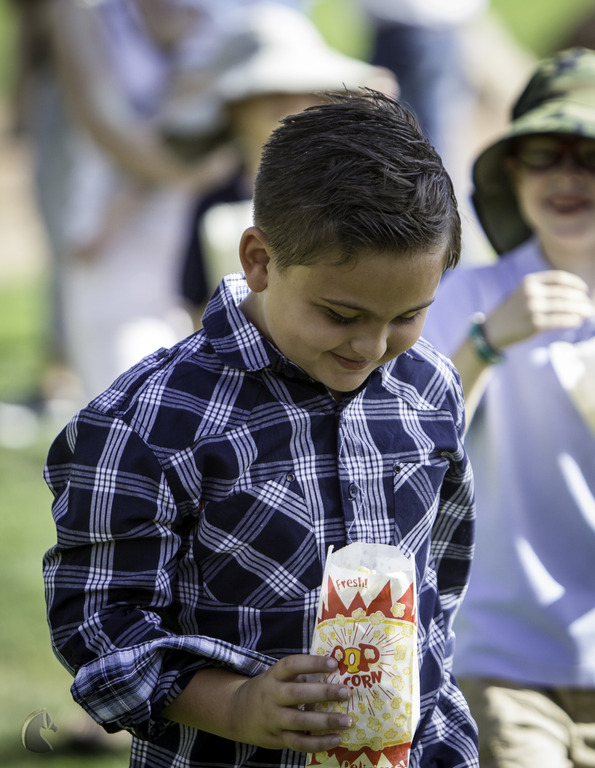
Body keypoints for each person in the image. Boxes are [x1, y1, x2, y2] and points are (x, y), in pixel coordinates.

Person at [42, 90, 479, 768]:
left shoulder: (428, 386)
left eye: (406, 316)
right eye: (341, 315)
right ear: (259, 260)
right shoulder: (146, 424)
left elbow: (438, 582)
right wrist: (237, 705)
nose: (371, 346)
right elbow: (98, 628)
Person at [422, 47, 595, 768]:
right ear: (512, 173)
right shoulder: (464, 296)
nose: (565, 176)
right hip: (501, 657)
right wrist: (486, 342)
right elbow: (411, 447)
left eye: (588, 155)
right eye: (541, 155)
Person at [179, 2, 395, 327]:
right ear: (235, 110)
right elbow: (199, 307)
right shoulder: (215, 203)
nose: (293, 105)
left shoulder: (349, 190)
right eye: (273, 94)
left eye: (306, 91)